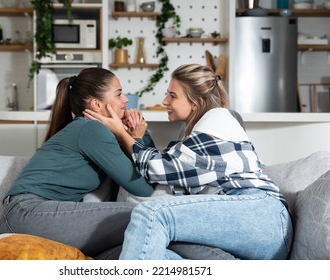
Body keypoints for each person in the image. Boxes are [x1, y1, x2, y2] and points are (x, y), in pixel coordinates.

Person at [84, 64, 294, 260]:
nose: (165, 101)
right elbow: (169, 167)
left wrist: (121, 133)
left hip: (262, 217)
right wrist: (135, 137)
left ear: (197, 103)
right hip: (253, 222)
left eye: (172, 95)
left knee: (153, 213)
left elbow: (158, 167)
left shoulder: (218, 121)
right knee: (159, 255)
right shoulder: (197, 133)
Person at [0, 67, 155, 257]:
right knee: (147, 216)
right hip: (27, 213)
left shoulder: (97, 132)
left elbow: (150, 170)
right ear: (97, 105)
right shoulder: (91, 130)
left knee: (130, 250)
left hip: (32, 214)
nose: (126, 100)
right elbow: (143, 189)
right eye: (119, 94)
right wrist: (135, 138)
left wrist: (137, 133)